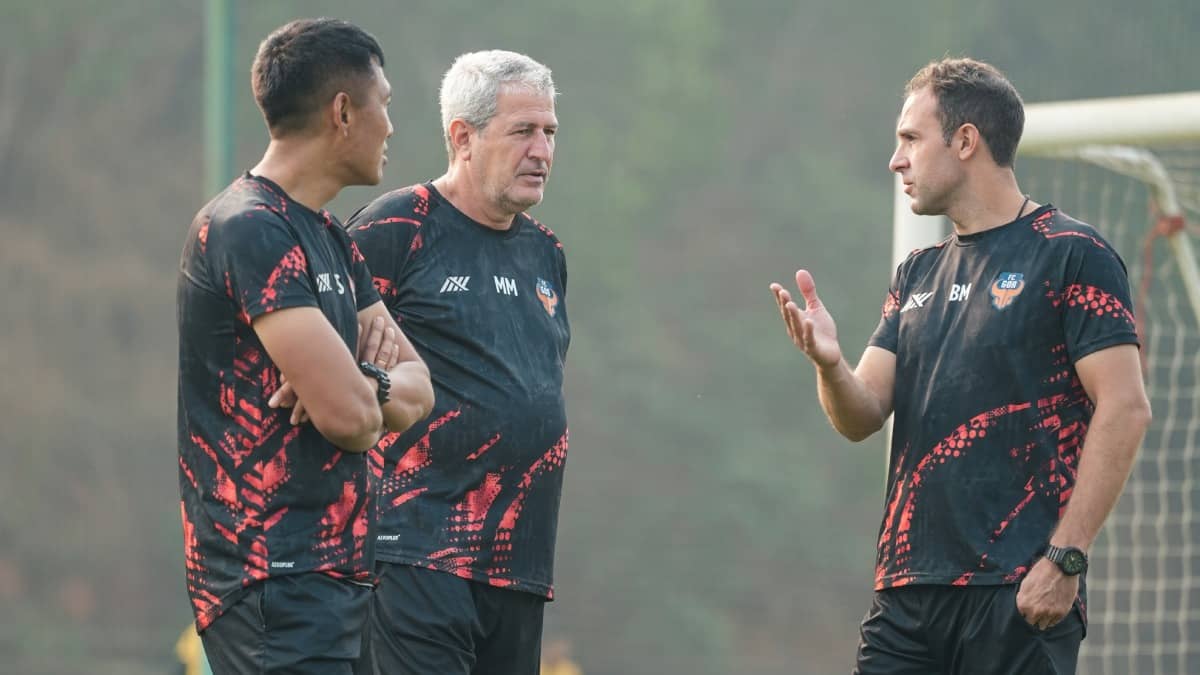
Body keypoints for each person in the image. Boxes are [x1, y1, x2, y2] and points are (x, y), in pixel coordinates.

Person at [770, 57, 1152, 674]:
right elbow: (861, 414)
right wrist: (829, 363)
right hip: (905, 596)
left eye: (911, 139)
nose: (897, 159)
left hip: (1018, 591)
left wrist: (1067, 558)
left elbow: (1126, 407)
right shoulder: (915, 273)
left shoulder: (1072, 254)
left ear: (966, 141)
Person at [176, 18, 434, 674]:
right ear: (343, 112)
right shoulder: (247, 229)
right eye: (386, 104)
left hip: (339, 578)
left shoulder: (329, 238)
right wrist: (361, 394)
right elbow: (348, 423)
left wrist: (360, 378)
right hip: (272, 578)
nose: (392, 126)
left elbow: (417, 389)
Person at [345, 50, 568, 675]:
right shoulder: (395, 229)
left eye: (549, 132)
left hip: (519, 564)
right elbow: (324, 374)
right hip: (411, 550)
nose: (542, 151)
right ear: (462, 137)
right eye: (522, 131)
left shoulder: (546, 253)